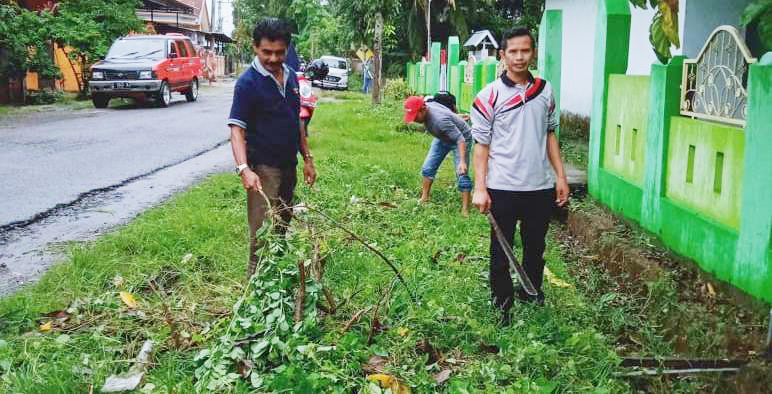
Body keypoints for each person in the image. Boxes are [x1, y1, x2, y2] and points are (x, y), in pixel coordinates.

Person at [469, 27, 569, 320]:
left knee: (535, 248)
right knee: (501, 251)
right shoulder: (489, 96)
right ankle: (502, 307)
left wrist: (560, 177)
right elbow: (481, 146)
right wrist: (480, 187)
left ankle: (531, 295)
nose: (519, 57)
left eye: (525, 50)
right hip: (502, 187)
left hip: (539, 186)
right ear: (502, 55)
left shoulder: (545, 91)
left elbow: (550, 135)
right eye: (512, 51)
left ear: (533, 53)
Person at [227, 17, 316, 279]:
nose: (273, 58)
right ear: (255, 47)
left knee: (283, 222)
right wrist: (244, 169)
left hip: (289, 164)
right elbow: (236, 129)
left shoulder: (290, 76)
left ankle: (274, 273)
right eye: (267, 52)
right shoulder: (248, 83)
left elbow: (297, 120)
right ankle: (254, 285)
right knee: (262, 230)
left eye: (279, 52)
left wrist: (307, 158)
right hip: (263, 168)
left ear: (287, 49)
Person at [404, 95, 474, 216]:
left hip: (461, 140)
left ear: (423, 109)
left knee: (461, 174)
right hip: (443, 137)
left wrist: (462, 162)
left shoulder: (439, 121)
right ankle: (425, 197)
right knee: (428, 167)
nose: (414, 119)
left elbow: (460, 139)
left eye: (415, 116)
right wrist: (457, 118)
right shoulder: (427, 105)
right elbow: (446, 111)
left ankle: (465, 209)